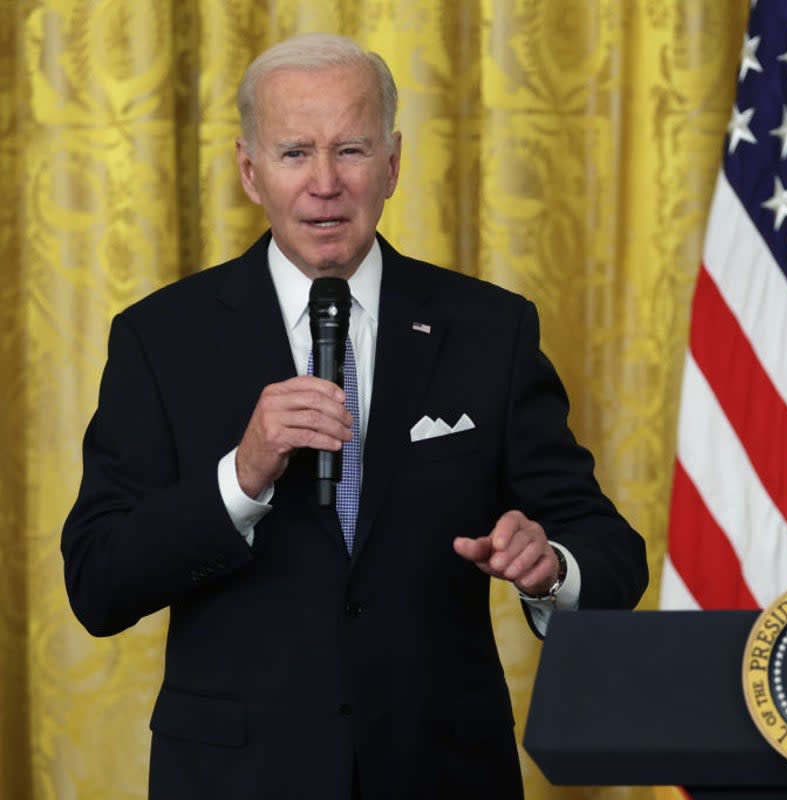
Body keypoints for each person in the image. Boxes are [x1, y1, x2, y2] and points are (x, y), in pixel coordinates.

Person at [61, 32, 647, 800]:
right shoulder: (161, 338)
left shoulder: (488, 330)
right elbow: (99, 583)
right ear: (250, 171)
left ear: (394, 163)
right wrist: (240, 479)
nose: (326, 183)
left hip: (441, 773)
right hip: (238, 775)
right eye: (296, 152)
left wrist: (552, 570)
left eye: (353, 150)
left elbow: (611, 553)